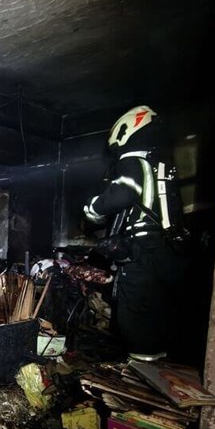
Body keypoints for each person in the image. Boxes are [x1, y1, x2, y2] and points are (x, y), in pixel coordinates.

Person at [83, 105, 187, 362]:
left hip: (144, 248)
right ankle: (164, 365)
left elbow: (121, 194)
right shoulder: (160, 162)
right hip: (169, 249)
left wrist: (92, 208)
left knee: (135, 314)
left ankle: (142, 372)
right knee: (161, 310)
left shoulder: (132, 160)